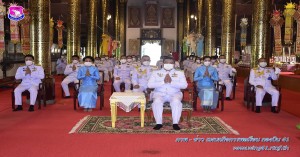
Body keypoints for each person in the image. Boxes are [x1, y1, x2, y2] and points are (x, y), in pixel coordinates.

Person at [148, 56, 188, 130]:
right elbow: (150, 85)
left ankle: (175, 123)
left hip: (175, 93)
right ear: (163, 64)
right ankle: (159, 123)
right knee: (157, 102)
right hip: (159, 93)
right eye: (166, 62)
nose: (168, 64)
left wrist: (172, 82)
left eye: (171, 63)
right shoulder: (156, 73)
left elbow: (184, 86)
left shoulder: (179, 73)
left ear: (174, 64)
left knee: (176, 102)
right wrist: (163, 82)